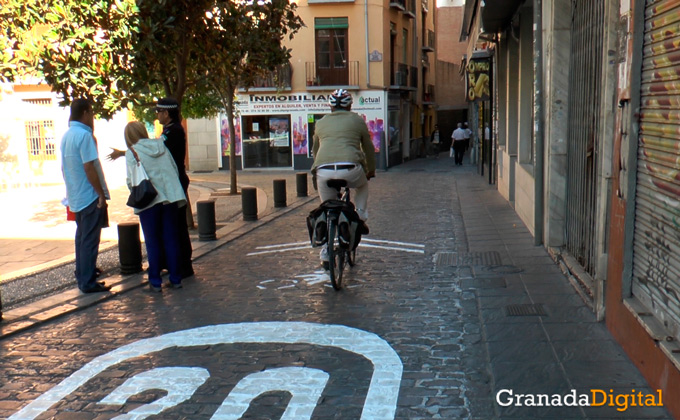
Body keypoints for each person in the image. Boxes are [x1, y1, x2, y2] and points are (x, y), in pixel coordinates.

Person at [108, 98, 194, 278]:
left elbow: (155, 154)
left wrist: (125, 153)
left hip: (170, 186)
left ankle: (181, 266)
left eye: (159, 112)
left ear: (166, 113)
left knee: (173, 231)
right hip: (169, 187)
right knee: (171, 231)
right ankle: (173, 267)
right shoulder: (169, 131)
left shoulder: (174, 132)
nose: (157, 115)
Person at [312, 89, 376, 264]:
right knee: (362, 186)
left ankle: (325, 250)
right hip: (351, 168)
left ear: (330, 106)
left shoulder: (321, 122)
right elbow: (368, 148)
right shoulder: (357, 120)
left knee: (326, 207)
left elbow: (315, 150)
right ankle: (360, 216)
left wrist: (315, 170)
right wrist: (370, 170)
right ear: (349, 105)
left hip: (323, 169)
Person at [124, 121, 187, 292]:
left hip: (149, 200)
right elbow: (174, 169)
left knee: (152, 241)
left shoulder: (132, 152)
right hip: (170, 197)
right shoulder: (161, 146)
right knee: (171, 239)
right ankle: (175, 278)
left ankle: (155, 281)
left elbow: (131, 181)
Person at [60, 99, 111, 293]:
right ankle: (88, 282)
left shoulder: (67, 136)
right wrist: (100, 194)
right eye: (92, 114)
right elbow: (89, 166)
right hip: (89, 196)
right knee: (89, 240)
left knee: (81, 238)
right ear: (86, 113)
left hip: (76, 196)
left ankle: (83, 276)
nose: (93, 118)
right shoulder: (84, 136)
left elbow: (65, 168)